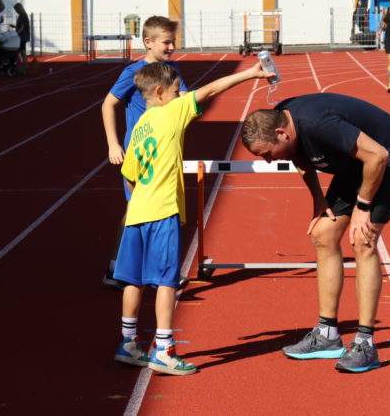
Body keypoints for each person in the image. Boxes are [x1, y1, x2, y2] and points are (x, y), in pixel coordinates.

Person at [115, 60, 273, 375]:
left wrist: (138, 202)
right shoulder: (171, 111)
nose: (181, 95)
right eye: (177, 91)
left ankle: (128, 343)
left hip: (138, 212)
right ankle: (164, 350)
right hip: (162, 212)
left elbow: (128, 173)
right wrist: (251, 73)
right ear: (160, 92)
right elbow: (211, 89)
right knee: (165, 282)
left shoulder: (140, 125)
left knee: (133, 280)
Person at [241, 93, 390, 373]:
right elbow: (300, 157)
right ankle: (327, 335)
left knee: (363, 239)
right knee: (323, 234)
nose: (269, 161)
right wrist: (318, 200)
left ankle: (366, 344)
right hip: (354, 162)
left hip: (387, 155)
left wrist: (363, 206)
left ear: (281, 133)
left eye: (267, 154)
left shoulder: (318, 123)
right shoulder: (284, 122)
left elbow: (377, 156)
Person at [101, 16, 188, 287]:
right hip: (140, 153)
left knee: (159, 212)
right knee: (137, 210)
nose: (172, 46)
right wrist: (113, 144)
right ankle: (117, 269)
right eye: (167, 42)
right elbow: (107, 104)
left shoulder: (171, 69)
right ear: (148, 42)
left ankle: (151, 271)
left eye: (174, 41)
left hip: (164, 151)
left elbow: (183, 97)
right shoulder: (134, 72)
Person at [13, 2, 30, 71]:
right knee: (22, 52)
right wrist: (15, 26)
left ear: (19, 9)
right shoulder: (22, 15)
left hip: (22, 37)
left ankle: (22, 67)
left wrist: (15, 33)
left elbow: (22, 27)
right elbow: (21, 26)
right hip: (22, 36)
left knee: (20, 52)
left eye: (16, 10)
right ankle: (23, 66)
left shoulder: (23, 16)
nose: (16, 11)